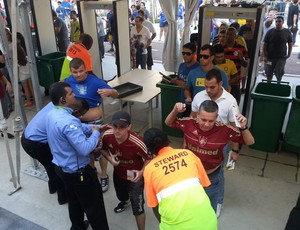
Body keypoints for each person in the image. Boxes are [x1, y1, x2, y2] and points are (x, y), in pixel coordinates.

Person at [165, 100, 255, 211]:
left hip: (211, 177)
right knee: (189, 206)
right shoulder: (189, 123)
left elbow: (250, 142)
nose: (206, 124)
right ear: (197, 115)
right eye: (203, 120)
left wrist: (244, 127)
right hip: (189, 175)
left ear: (217, 117)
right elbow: (168, 122)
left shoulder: (225, 130)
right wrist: (175, 111)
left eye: (211, 121)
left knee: (208, 208)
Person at [46, 82, 109, 230]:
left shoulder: (53, 113)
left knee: (74, 202)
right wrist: (95, 133)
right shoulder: (69, 121)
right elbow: (84, 148)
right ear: (63, 100)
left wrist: (98, 127)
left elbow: (78, 128)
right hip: (79, 173)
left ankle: (78, 227)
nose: (74, 95)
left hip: (63, 170)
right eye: (70, 93)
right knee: (95, 208)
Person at [143, 128, 217, 230]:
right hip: (208, 222)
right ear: (167, 140)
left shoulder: (150, 169)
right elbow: (203, 186)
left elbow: (154, 205)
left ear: (149, 149)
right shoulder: (188, 154)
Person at [190, 68, 240, 217]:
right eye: (206, 86)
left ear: (220, 84)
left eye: (212, 87)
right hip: (198, 143)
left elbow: (235, 128)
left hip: (220, 146)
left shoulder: (230, 101)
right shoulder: (199, 96)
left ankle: (218, 201)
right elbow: (192, 119)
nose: (208, 90)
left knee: (218, 175)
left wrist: (235, 151)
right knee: (196, 171)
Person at [64, 57, 118, 192]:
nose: (78, 75)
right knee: (86, 150)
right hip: (77, 122)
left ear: (85, 69)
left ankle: (104, 174)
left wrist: (110, 92)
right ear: (71, 72)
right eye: (75, 72)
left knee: (100, 150)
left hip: (95, 123)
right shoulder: (68, 81)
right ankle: (92, 171)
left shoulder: (95, 81)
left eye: (81, 71)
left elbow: (116, 94)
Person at [21, 98, 89, 205]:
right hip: (35, 144)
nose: (80, 118)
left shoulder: (55, 107)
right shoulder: (63, 118)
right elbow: (81, 145)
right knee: (56, 168)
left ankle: (52, 187)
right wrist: (94, 133)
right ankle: (63, 197)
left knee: (49, 165)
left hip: (28, 137)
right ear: (76, 110)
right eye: (81, 115)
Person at [99, 111, 152, 230]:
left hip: (134, 176)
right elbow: (102, 149)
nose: (117, 131)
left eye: (122, 127)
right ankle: (125, 200)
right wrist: (109, 158)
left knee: (138, 208)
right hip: (118, 173)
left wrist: (142, 172)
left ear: (129, 127)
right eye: (115, 126)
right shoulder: (107, 136)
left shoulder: (138, 142)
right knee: (121, 196)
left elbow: (149, 159)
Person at [170, 42, 200, 116]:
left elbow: (199, 87)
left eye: (188, 54)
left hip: (195, 103)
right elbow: (179, 77)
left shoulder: (199, 69)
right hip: (183, 101)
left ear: (194, 53)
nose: (185, 56)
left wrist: (186, 86)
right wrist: (174, 80)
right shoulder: (181, 65)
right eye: (183, 53)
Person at [263, 16, 293, 82]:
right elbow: (265, 44)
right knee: (269, 72)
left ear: (283, 22)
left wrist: (289, 54)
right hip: (270, 57)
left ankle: (278, 84)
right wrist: (265, 55)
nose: (278, 23)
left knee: (279, 72)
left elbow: (290, 43)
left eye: (279, 21)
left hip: (281, 57)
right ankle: (268, 85)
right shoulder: (270, 32)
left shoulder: (287, 32)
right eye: (276, 21)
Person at [223, 27, 248, 104]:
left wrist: (241, 59)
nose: (228, 36)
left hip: (235, 81)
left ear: (235, 36)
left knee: (235, 103)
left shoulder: (241, 48)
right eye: (227, 34)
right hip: (222, 81)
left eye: (231, 34)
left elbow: (245, 65)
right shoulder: (221, 47)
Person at [0, 71, 14, 139]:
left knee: (4, 114)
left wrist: (8, 83)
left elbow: (1, 75)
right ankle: (3, 131)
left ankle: (3, 131)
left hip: (1, 95)